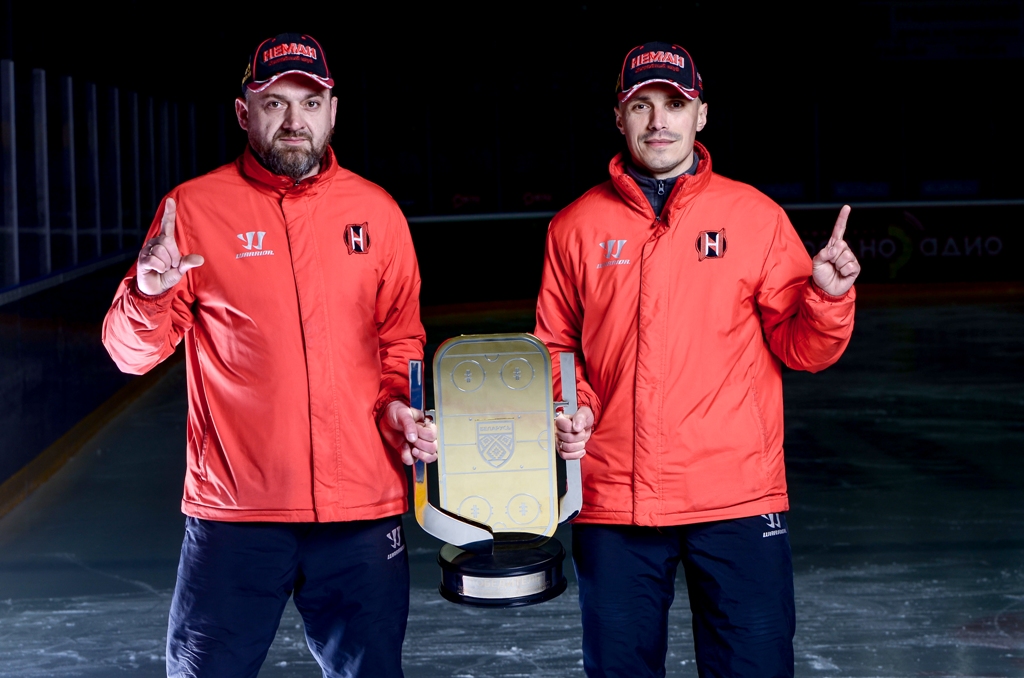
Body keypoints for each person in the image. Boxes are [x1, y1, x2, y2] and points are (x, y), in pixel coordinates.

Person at [102, 33, 436, 678]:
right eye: (274, 102)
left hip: (361, 512)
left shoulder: (377, 211)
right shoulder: (192, 210)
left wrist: (399, 404)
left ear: (332, 111)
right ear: (243, 112)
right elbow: (130, 356)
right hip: (236, 514)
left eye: (309, 102)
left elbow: (400, 340)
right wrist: (147, 293)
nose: (293, 120)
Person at [536, 42, 860, 677]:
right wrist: (574, 406)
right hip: (615, 500)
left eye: (675, 104)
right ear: (619, 116)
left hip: (736, 497)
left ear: (701, 115)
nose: (659, 121)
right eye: (642, 105)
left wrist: (825, 297)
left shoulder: (756, 218)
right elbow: (556, 347)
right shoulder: (574, 228)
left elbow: (803, 350)